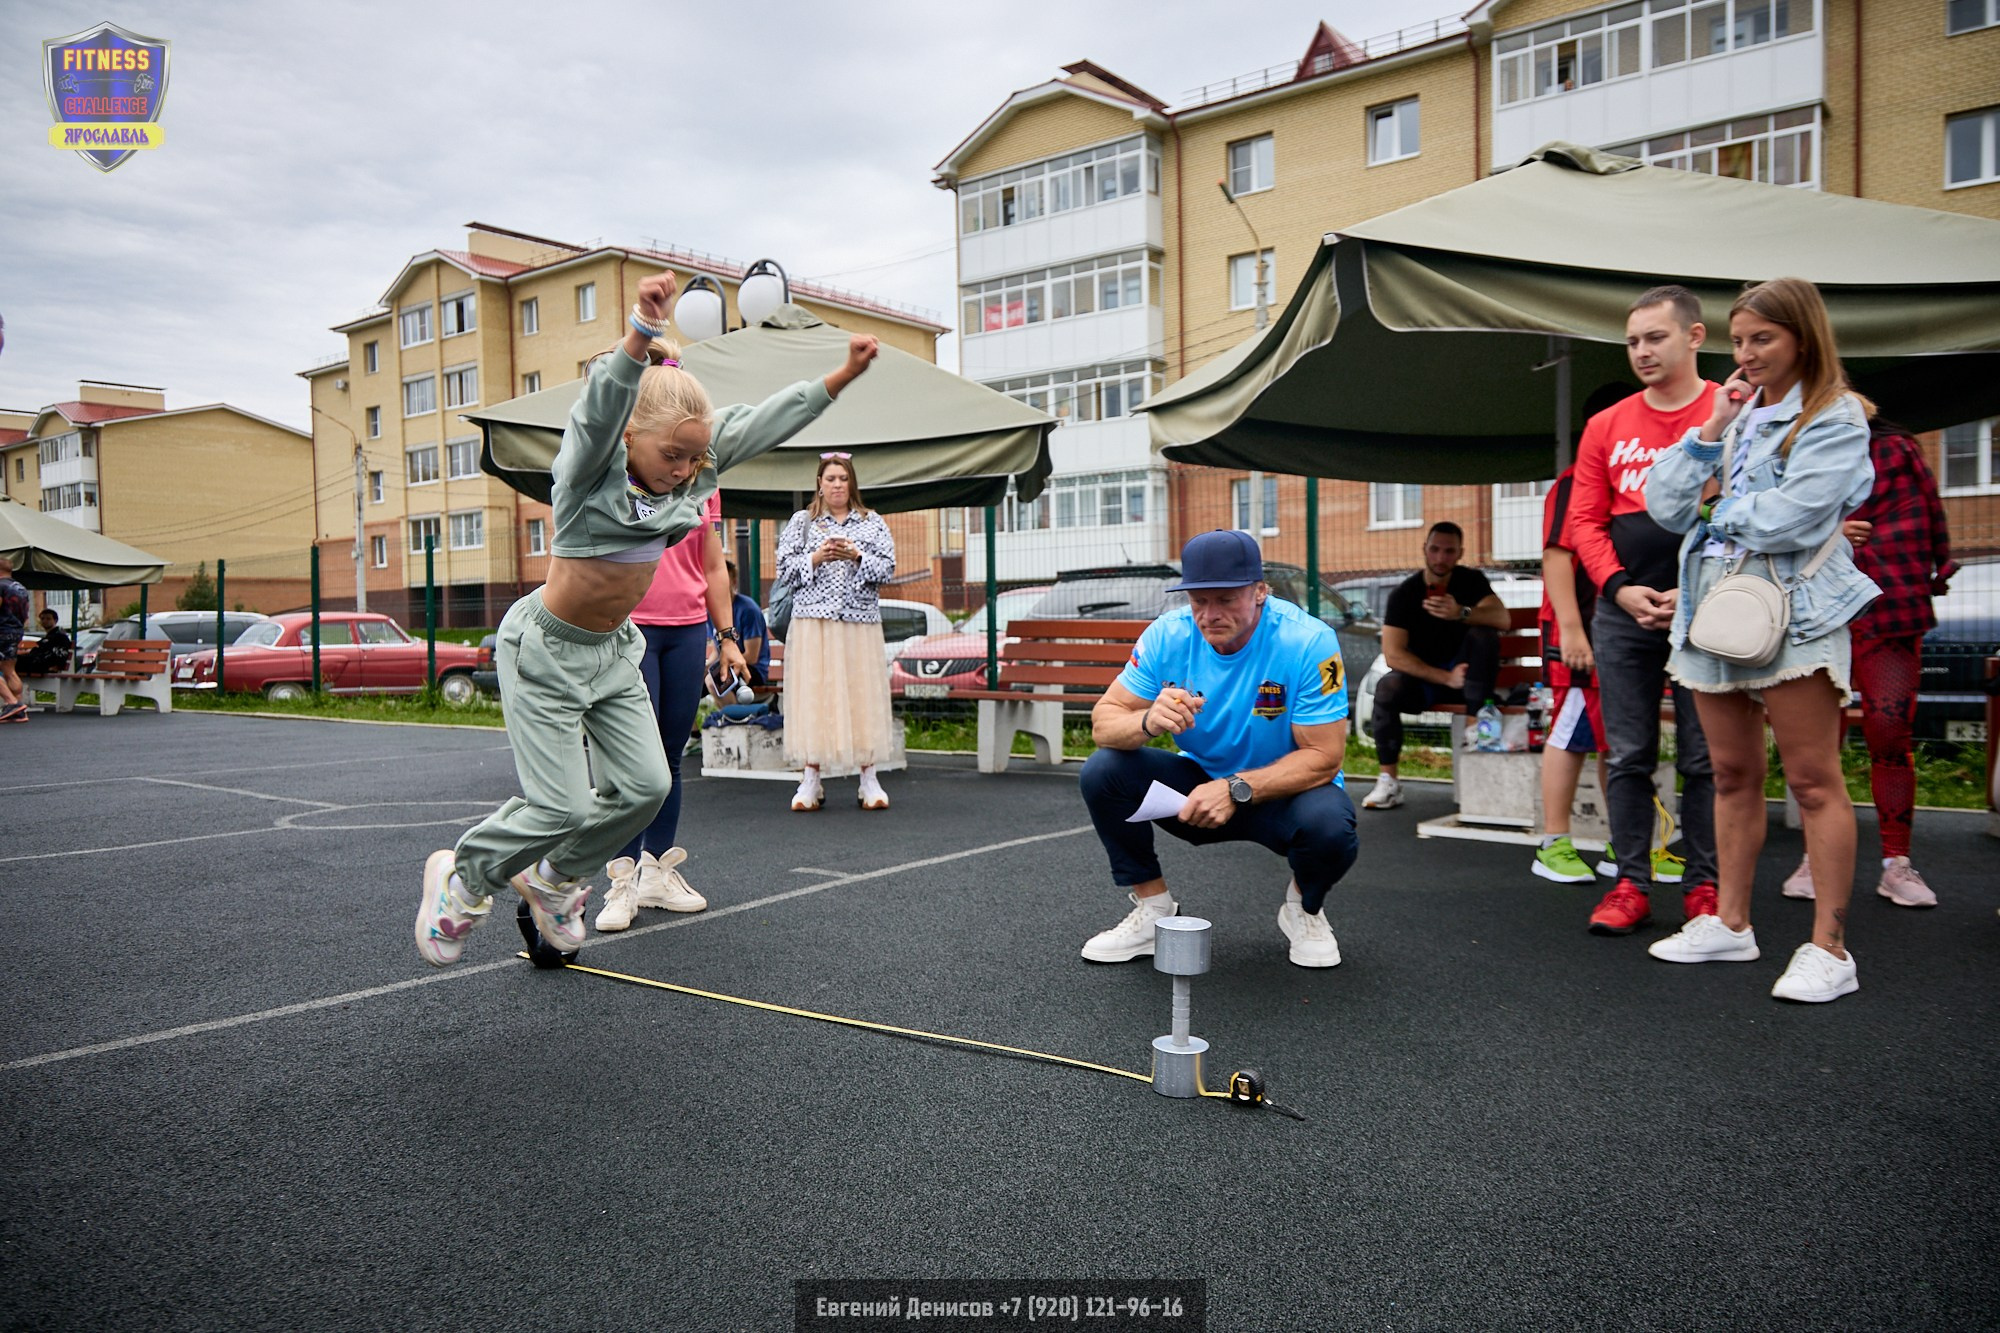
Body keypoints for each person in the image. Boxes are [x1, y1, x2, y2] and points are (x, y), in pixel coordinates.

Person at [414, 271, 878, 967]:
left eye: (695, 456)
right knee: (561, 803)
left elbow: (756, 423)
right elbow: (597, 413)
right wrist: (641, 332)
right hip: (545, 650)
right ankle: (461, 878)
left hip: (611, 652)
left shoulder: (689, 474)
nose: (685, 468)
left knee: (648, 784)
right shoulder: (586, 475)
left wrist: (836, 378)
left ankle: (555, 880)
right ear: (631, 434)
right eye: (672, 454)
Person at [1644, 276, 1879, 1004]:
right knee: (1731, 774)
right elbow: (1663, 503)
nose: (1745, 354)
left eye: (1762, 339)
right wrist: (1710, 427)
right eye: (1738, 340)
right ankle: (1731, 922)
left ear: (1802, 338)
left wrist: (1717, 514)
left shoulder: (1835, 417)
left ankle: (1829, 947)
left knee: (1812, 780)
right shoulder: (1739, 417)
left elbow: (1795, 518)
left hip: (1796, 613)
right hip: (1719, 612)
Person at [1077, 529, 1359, 969]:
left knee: (1332, 828)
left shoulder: (1308, 642)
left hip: (1286, 795)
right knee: (1104, 770)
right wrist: (1147, 721)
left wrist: (1234, 788)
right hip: (1198, 791)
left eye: (1226, 599)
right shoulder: (1166, 635)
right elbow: (1104, 722)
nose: (1209, 614)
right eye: (1199, 601)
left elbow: (1325, 757)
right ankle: (1154, 911)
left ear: (1260, 591)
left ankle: (1303, 910)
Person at [1565, 286, 1721, 936]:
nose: (1642, 351)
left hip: (1709, 607)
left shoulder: (1729, 407)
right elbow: (1583, 519)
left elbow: (1745, 506)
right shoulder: (1607, 424)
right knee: (1627, 751)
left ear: (1694, 336)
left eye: (1655, 337)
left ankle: (1706, 885)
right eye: (1632, 341)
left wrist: (1696, 589)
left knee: (1705, 757)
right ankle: (1630, 880)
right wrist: (1621, 588)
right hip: (1623, 612)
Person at [1782, 418, 1955, 910]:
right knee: (1818, 742)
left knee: (1889, 731)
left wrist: (1938, 564)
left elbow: (1928, 516)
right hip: (1818, 612)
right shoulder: (1797, 447)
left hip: (1890, 608)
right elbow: (1775, 521)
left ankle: (1896, 863)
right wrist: (1832, 534)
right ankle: (1816, 857)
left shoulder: (1896, 449)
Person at [592, 387, 730, 934]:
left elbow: (713, 565)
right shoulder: (615, 474)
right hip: (631, 630)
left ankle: (655, 872)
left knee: (671, 755)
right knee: (635, 760)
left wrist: (727, 635)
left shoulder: (697, 483)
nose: (682, 465)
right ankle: (618, 882)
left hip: (687, 630)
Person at [775, 453, 897, 812]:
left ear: (852, 483)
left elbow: (888, 569)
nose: (837, 485)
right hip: (813, 622)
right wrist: (816, 558)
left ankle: (869, 777)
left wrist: (857, 555)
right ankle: (810, 778)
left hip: (859, 622)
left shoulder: (872, 522)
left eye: (843, 478)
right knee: (814, 695)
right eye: (830, 479)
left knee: (863, 696)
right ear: (819, 483)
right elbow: (783, 569)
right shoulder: (803, 522)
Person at [1359, 521, 1507, 810]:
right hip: (1428, 683)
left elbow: (1502, 619)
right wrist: (1444, 677)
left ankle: (1477, 731)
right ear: (1424, 550)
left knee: (1484, 633)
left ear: (1460, 553)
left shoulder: (1472, 581)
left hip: (1469, 684)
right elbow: (1393, 655)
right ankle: (1388, 782)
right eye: (1435, 549)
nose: (1441, 558)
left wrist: (1461, 613)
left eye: (1449, 551)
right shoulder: (1404, 594)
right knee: (1386, 687)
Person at [711, 553, 771, 685]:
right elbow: (716, 651)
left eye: (723, 579)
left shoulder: (748, 609)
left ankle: (732, 706)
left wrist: (720, 666)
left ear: (733, 581)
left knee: (712, 681)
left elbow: (752, 656)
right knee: (694, 680)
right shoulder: (711, 610)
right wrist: (706, 668)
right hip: (728, 663)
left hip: (752, 669)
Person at [0, 557, 29, 722]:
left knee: (7, 670)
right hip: (16, 630)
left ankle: (11, 703)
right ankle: (19, 707)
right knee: (9, 670)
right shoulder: (20, 587)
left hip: (1, 629)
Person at [19, 608, 75, 678]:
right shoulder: (50, 636)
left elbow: (60, 656)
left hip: (43, 665)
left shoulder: (60, 636)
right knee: (12, 661)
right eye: (42, 619)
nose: (45, 621)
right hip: (39, 663)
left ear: (55, 620)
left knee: (11, 662)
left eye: (48, 619)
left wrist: (54, 666)